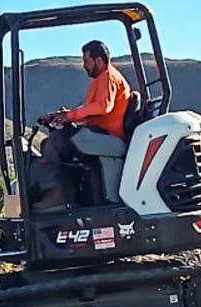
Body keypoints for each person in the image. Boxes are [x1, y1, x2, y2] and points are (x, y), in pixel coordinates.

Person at [32, 40, 132, 211]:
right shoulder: (100, 80)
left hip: (108, 136)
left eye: (87, 61)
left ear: (99, 61)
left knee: (56, 142)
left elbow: (102, 107)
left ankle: (56, 197)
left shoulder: (108, 77)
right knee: (51, 141)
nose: (84, 66)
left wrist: (69, 116)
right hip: (99, 132)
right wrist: (63, 116)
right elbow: (90, 111)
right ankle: (66, 195)